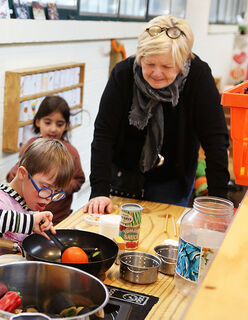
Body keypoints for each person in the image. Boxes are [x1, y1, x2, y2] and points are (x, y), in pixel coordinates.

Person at [85, 15, 229, 215]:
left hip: (172, 180)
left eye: (167, 67)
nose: (157, 73)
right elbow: (103, 135)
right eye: (149, 64)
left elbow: (216, 142)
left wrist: (218, 202)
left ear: (182, 62)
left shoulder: (198, 77)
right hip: (122, 176)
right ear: (140, 57)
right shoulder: (123, 74)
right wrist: (99, 190)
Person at [0, 138, 74, 272]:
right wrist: (29, 222)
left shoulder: (27, 201)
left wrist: (37, 226)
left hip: (9, 278)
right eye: (45, 187)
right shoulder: (1, 199)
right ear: (22, 174)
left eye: (56, 192)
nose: (49, 198)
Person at [6, 96, 85, 225]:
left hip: (58, 218)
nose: (53, 129)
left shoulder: (71, 152)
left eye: (59, 124)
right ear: (38, 122)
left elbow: (79, 179)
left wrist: (60, 187)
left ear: (67, 125)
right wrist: (15, 175)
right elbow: (17, 172)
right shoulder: (32, 144)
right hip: (30, 217)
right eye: (48, 123)